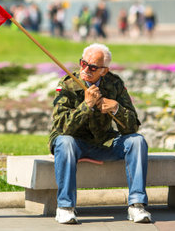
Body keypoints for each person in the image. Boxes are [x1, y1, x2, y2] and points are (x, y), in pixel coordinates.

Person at [49, 43, 151, 224]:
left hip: (104, 142)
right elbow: (62, 127)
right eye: (83, 63)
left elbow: (132, 127)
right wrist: (86, 106)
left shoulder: (114, 83)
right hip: (74, 143)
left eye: (93, 67)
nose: (86, 70)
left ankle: (137, 206)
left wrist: (117, 108)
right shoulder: (67, 84)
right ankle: (65, 207)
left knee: (137, 141)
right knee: (64, 142)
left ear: (104, 71)